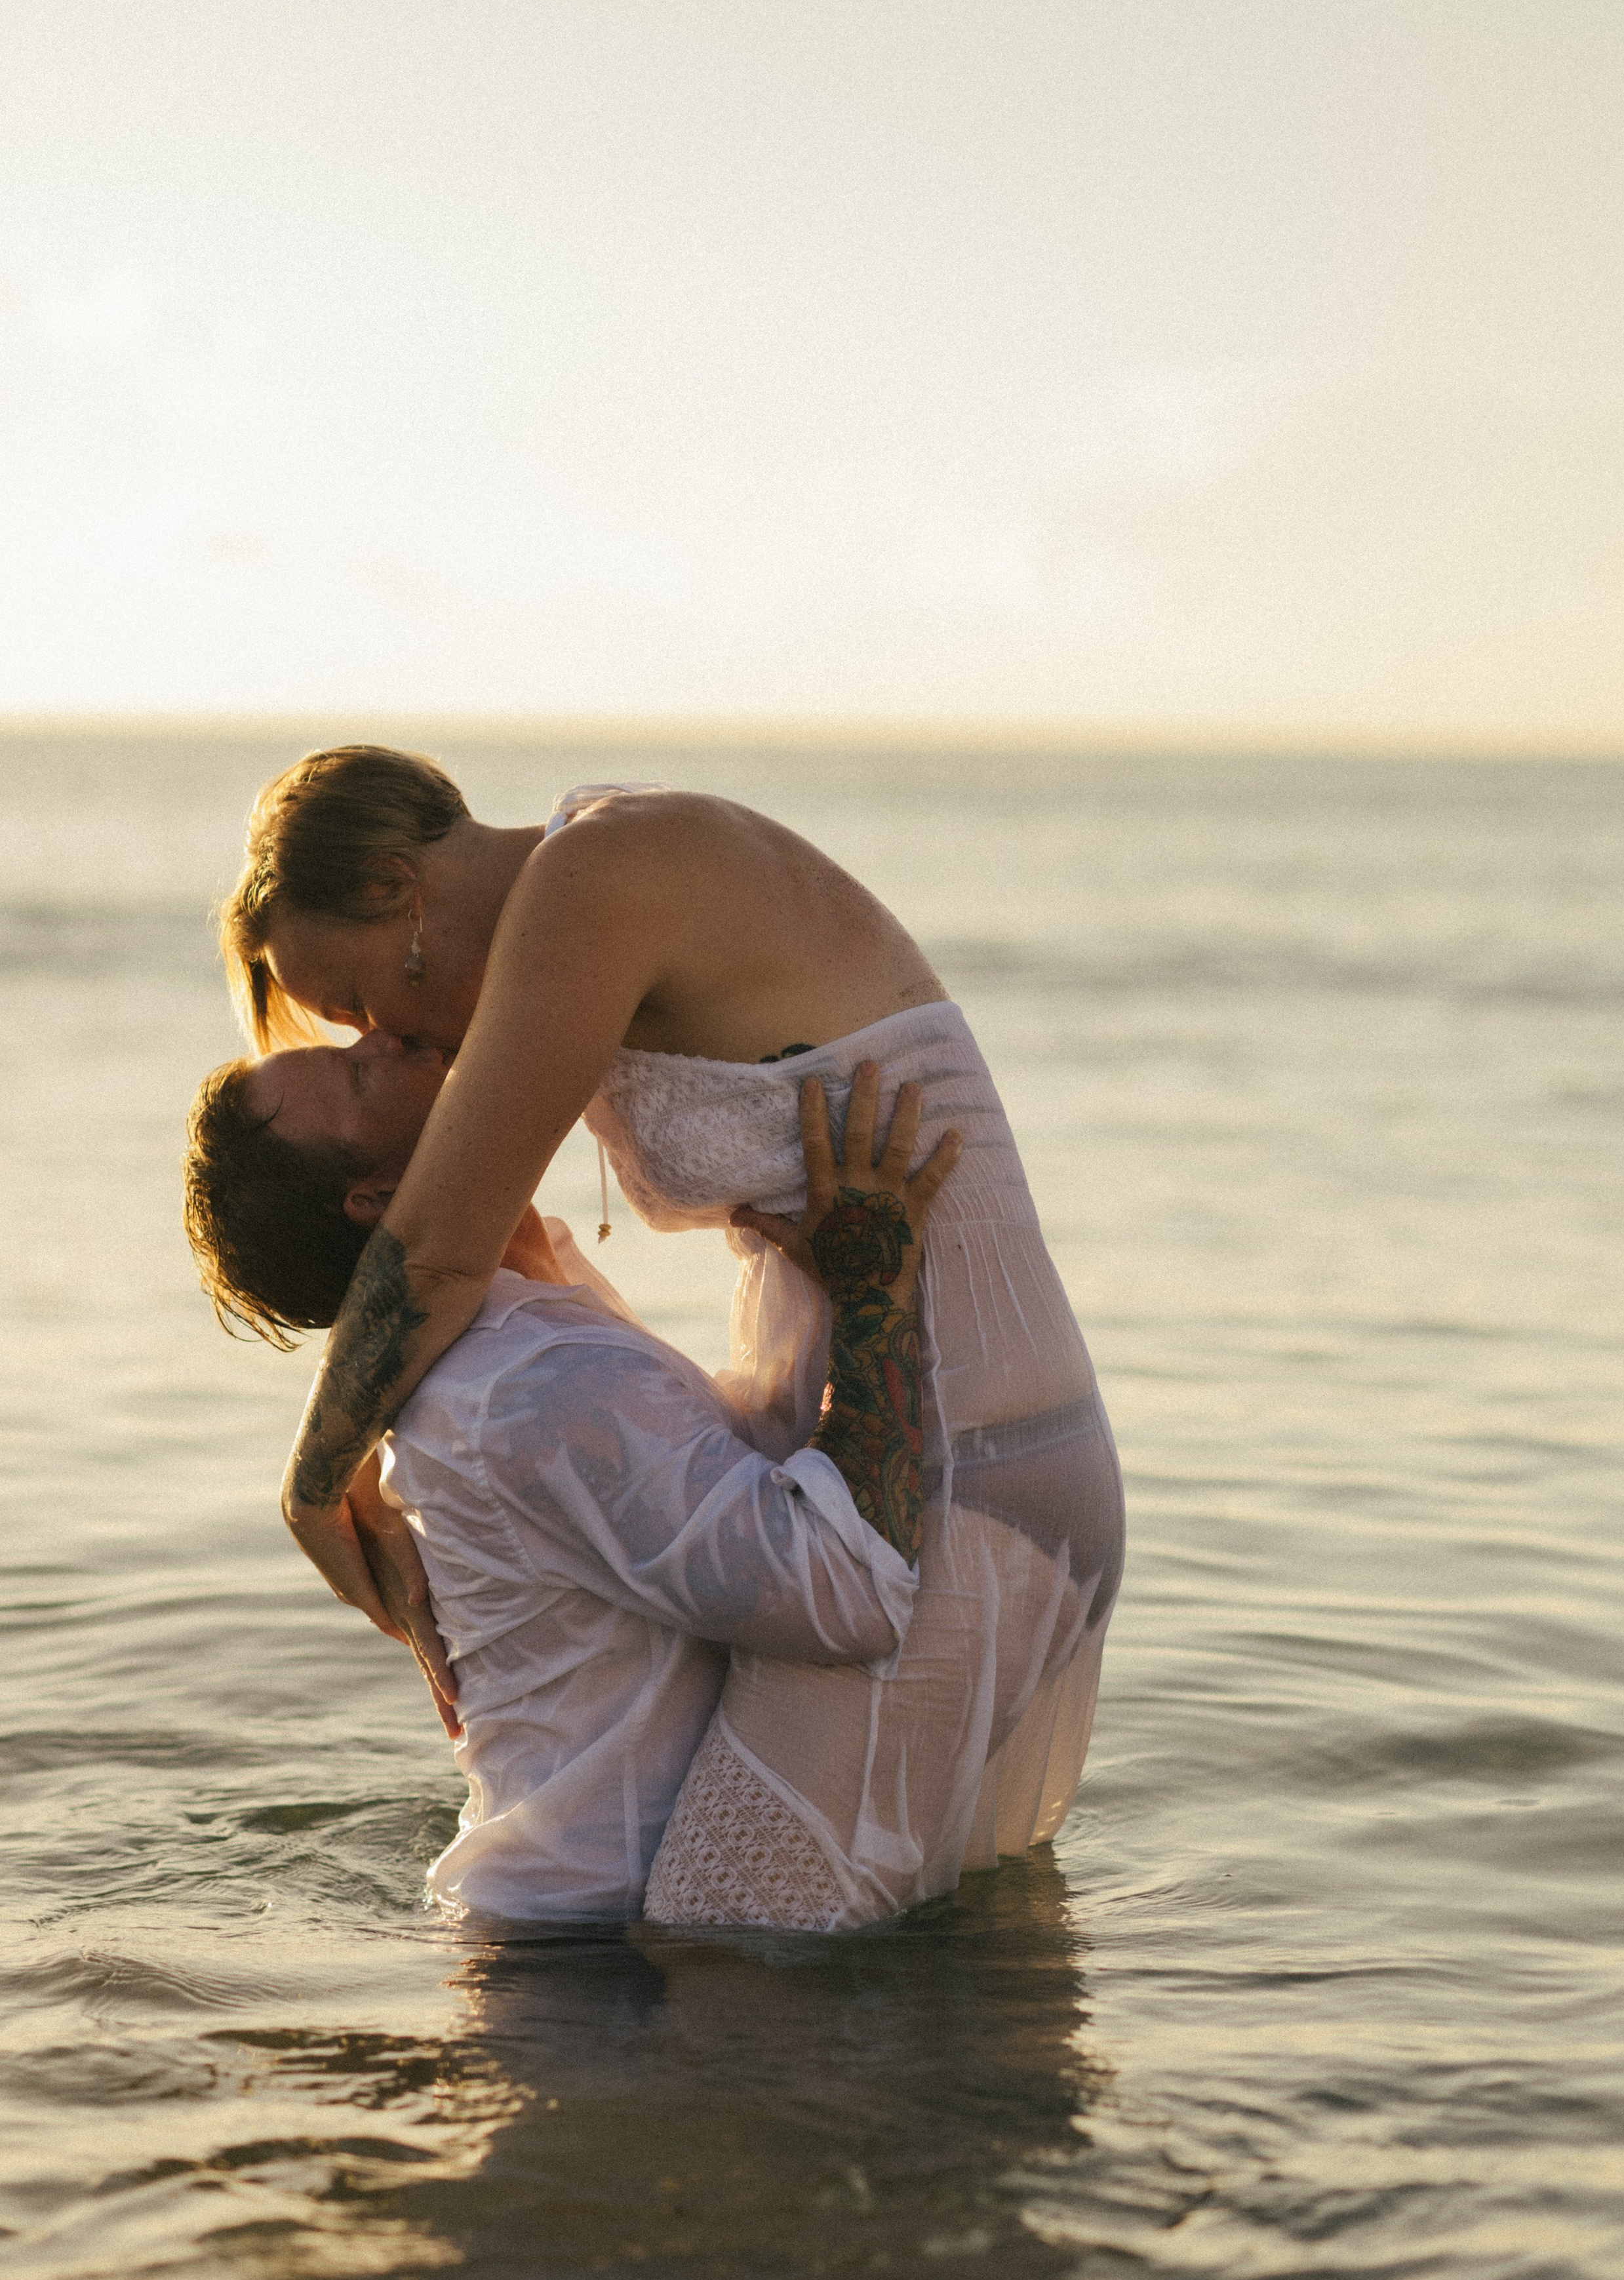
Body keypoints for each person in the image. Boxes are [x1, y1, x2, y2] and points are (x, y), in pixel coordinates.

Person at [219, 747, 1124, 1923]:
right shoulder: (578, 898)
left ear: (397, 893)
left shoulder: (600, 878)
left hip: (956, 1452)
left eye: (353, 1004)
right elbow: (440, 1245)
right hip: (877, 1435)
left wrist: (313, 1485)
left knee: (727, 1935)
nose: (383, 1036)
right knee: (824, 1950)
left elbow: (434, 1250)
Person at [186, 1041, 957, 1922]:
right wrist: (871, 1294)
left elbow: (729, 1482)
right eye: (359, 1076)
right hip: (586, 1973)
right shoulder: (530, 1385)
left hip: (588, 1939)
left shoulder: (526, 1320)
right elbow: (848, 1590)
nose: (389, 1040)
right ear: (379, 1198)